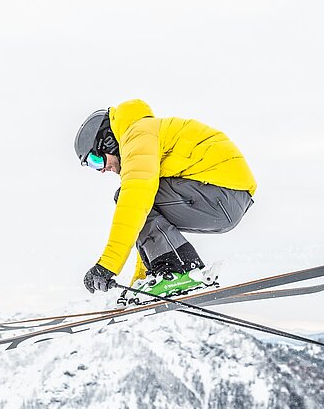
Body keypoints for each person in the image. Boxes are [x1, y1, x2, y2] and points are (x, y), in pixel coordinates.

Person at [75, 99, 257, 299]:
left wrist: (107, 265)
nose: (101, 169)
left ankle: (179, 270)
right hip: (226, 199)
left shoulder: (137, 133)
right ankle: (170, 272)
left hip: (220, 193)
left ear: (107, 141)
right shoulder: (145, 134)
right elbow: (148, 227)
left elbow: (135, 202)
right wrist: (140, 284)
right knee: (141, 205)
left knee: (130, 198)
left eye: (95, 160)